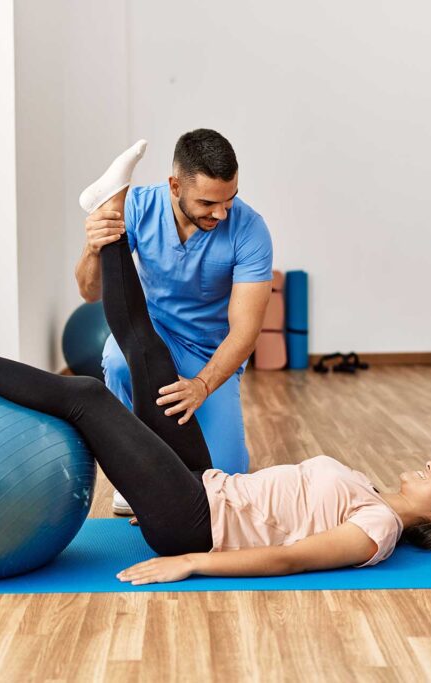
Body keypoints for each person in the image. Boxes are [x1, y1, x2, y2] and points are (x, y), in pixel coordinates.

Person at [0, 143, 431, 585]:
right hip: (209, 488)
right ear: (177, 187)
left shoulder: (378, 527)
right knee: (147, 353)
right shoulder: (368, 491)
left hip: (195, 524)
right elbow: (91, 292)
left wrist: (192, 561)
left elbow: (288, 560)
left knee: (87, 396)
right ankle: (108, 210)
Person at [74, 131, 272, 516]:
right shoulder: (140, 208)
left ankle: (210, 450)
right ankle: (134, 472)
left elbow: (246, 332)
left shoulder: (250, 230)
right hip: (152, 337)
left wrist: (202, 385)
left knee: (225, 492)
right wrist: (92, 247)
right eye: (208, 203)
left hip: (211, 355)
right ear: (175, 185)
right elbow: (89, 292)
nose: (221, 213)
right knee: (117, 359)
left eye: (229, 200)